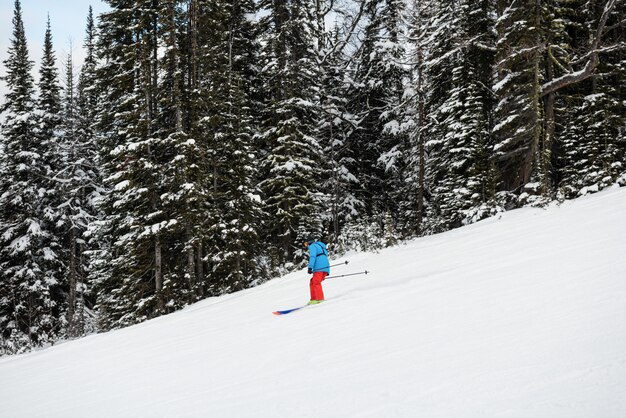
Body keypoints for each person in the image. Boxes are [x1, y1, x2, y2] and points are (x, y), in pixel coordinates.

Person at [304, 239, 330, 304]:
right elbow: (325, 256)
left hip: (319, 267)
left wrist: (310, 267)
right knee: (312, 281)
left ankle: (319, 298)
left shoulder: (313, 246)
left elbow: (313, 256)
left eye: (306, 244)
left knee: (316, 282)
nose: (306, 246)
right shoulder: (321, 246)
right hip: (325, 267)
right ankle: (314, 299)